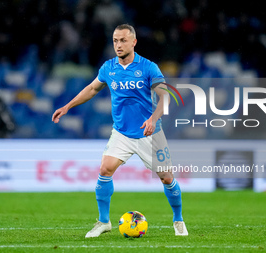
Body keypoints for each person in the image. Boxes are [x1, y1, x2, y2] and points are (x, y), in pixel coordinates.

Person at [52, 24, 188, 237]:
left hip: (149, 133)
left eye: (123, 40)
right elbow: (91, 89)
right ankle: (104, 221)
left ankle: (178, 219)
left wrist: (153, 119)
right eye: (115, 40)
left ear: (133, 42)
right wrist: (67, 106)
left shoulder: (148, 67)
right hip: (122, 133)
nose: (118, 45)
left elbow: (165, 97)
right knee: (105, 169)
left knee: (166, 178)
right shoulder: (108, 68)